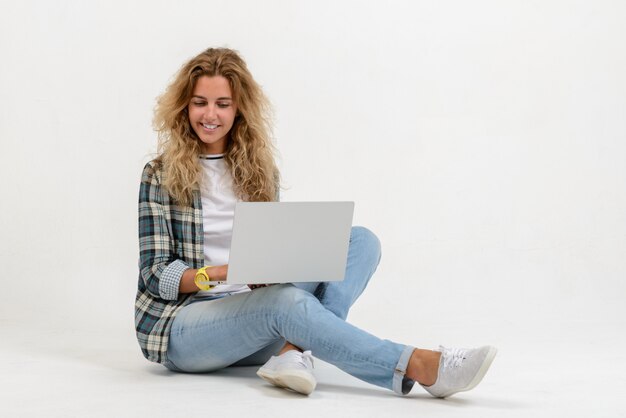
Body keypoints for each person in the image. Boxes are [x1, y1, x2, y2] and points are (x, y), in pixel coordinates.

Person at [135, 47, 497, 397]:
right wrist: (223, 273)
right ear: (185, 106)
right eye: (200, 102)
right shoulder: (160, 174)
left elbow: (268, 258)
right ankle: (419, 365)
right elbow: (154, 274)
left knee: (361, 242)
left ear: (239, 110)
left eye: (222, 104)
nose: (209, 114)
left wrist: (276, 267)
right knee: (285, 302)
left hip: (257, 317)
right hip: (187, 328)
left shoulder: (260, 172)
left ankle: (292, 352)